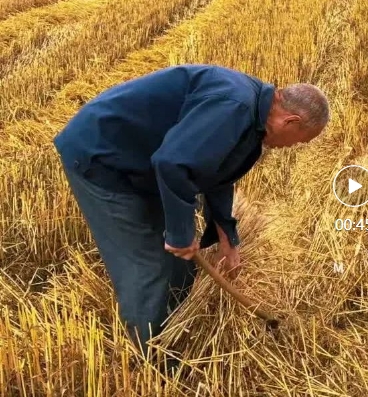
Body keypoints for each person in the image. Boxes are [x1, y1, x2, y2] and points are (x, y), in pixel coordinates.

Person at [53, 64, 330, 361]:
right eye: (300, 141)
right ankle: (152, 363)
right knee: (148, 267)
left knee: (179, 265)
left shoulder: (253, 115)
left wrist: (227, 237)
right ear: (291, 121)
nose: (292, 147)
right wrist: (180, 234)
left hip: (143, 163)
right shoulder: (233, 106)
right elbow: (173, 164)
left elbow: (217, 173)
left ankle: (176, 330)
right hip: (104, 158)